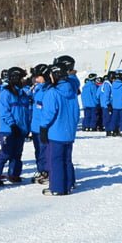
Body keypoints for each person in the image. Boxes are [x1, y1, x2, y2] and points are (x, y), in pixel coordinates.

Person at [0, 67, 31, 185]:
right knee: (6, 152)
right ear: (15, 78)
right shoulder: (6, 93)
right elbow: (4, 111)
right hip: (8, 130)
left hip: (21, 129)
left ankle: (14, 174)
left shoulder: (23, 94)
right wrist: (12, 124)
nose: (23, 81)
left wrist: (27, 127)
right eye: (22, 78)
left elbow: (26, 112)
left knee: (17, 153)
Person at [40, 65, 80, 195]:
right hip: (68, 132)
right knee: (67, 159)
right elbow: (76, 112)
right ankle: (69, 184)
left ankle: (57, 188)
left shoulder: (53, 92)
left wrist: (43, 127)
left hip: (56, 132)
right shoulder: (72, 91)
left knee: (56, 160)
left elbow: (48, 113)